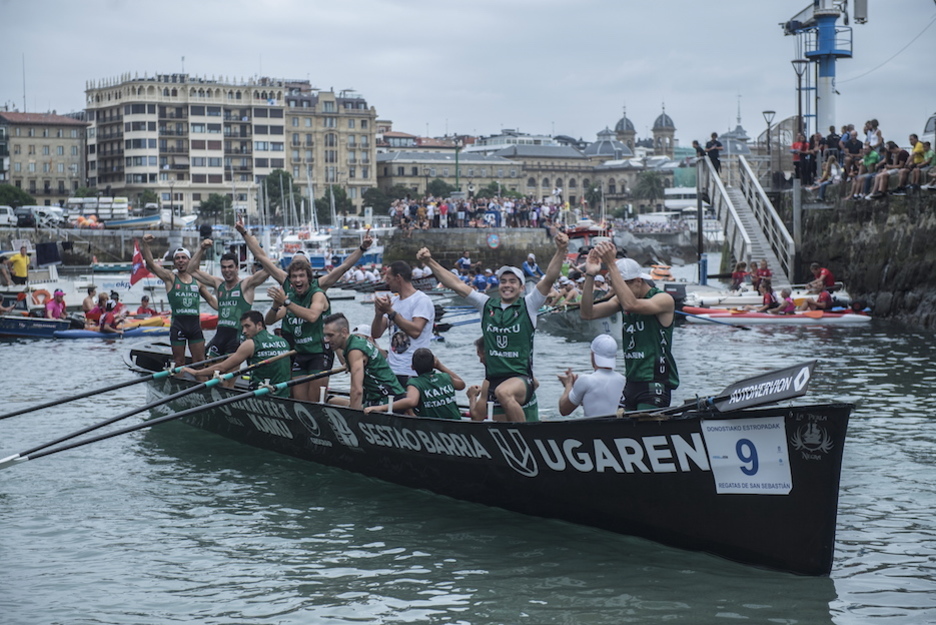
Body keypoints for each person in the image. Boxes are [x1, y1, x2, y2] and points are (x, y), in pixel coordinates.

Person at [417, 230, 569, 422]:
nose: (507, 285)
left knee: (504, 393)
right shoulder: (486, 304)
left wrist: (561, 249)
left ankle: (526, 438)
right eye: (503, 281)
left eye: (513, 282)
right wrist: (430, 262)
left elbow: (549, 278)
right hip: (493, 378)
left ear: (522, 287)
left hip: (521, 378)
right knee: (479, 417)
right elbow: (455, 283)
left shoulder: (529, 304)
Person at [239, 220, 373, 402]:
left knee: (314, 400)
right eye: (294, 275)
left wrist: (362, 249)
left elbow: (343, 268)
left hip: (319, 350)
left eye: (302, 274)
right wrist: (244, 232)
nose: (297, 279)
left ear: (308, 274)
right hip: (298, 350)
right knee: (298, 399)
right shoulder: (287, 283)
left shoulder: (318, 290)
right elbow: (262, 258)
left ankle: (336, 406)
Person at [580, 243, 679, 412]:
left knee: (644, 434)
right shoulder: (622, 301)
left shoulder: (663, 300)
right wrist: (590, 275)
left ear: (638, 281)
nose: (618, 292)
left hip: (655, 383)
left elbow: (631, 304)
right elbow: (587, 313)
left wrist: (611, 264)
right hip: (632, 382)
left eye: (621, 286)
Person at [186, 238, 270, 358]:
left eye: (230, 267)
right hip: (220, 334)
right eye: (224, 267)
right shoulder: (218, 284)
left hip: (237, 336)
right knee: (209, 369)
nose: (227, 270)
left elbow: (268, 269)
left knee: (227, 370)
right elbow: (191, 270)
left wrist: (250, 241)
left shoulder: (246, 285)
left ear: (237, 268)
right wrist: (201, 249)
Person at [181, 311, 292, 396]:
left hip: (261, 394)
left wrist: (195, 373)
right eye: (243, 327)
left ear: (259, 325)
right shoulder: (283, 341)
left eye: (247, 326)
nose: (244, 331)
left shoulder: (250, 344)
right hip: (283, 394)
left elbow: (222, 367)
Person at [141, 235, 207, 368]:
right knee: (179, 362)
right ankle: (179, 385)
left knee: (200, 362)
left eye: (184, 258)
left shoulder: (198, 280)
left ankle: (201, 385)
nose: (181, 260)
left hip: (195, 326)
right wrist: (146, 244)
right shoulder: (170, 277)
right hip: (178, 326)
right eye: (178, 258)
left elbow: (211, 300)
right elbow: (151, 264)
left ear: (189, 261)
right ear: (174, 262)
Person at [370, 260, 436, 387]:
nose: (386, 282)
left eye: (389, 278)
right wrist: (378, 314)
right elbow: (376, 334)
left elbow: (416, 331)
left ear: (398, 278)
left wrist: (390, 312)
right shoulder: (393, 301)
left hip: (413, 371)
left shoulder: (421, 300)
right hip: (392, 370)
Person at [323, 312, 405, 410]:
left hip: (387, 398)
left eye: (330, 335)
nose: (326, 340)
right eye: (325, 335)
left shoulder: (355, 350)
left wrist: (353, 416)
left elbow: (357, 390)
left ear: (344, 332)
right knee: (334, 401)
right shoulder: (356, 342)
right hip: (389, 394)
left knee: (343, 403)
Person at [364, 348, 466, 419]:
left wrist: (380, 408)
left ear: (412, 367)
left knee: (405, 400)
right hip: (455, 421)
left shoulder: (415, 383)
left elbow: (411, 401)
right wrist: (440, 366)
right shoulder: (445, 377)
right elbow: (461, 385)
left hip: (435, 427)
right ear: (433, 364)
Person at [466, 337, 540, 422]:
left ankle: (522, 428)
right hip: (529, 424)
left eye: (481, 355)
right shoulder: (524, 375)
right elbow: (536, 384)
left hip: (512, 431)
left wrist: (472, 397)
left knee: (503, 393)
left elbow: (477, 418)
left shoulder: (489, 383)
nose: (480, 360)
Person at [557, 334, 626, 418]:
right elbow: (594, 401)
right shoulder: (624, 381)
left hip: (592, 430)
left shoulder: (585, 380)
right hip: (617, 429)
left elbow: (564, 410)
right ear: (615, 356)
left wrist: (568, 384)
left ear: (592, 355)